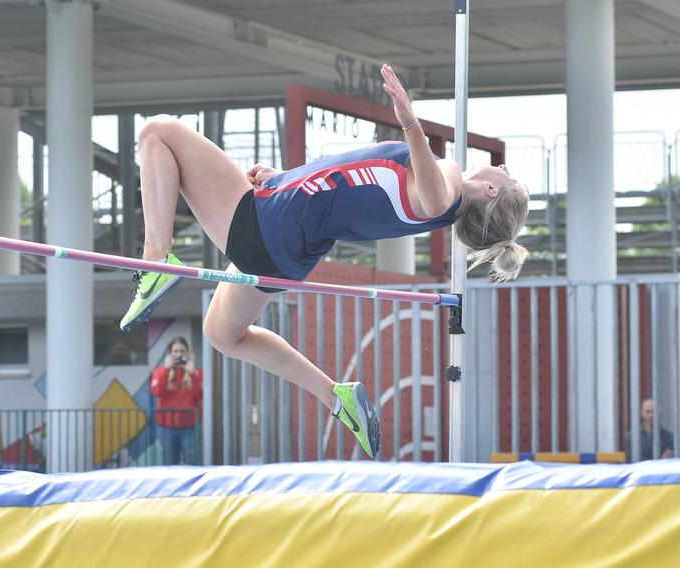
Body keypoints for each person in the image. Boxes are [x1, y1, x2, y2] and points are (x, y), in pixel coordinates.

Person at [121, 64, 531, 458]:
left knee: (157, 131)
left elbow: (433, 195)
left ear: (492, 191)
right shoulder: (440, 198)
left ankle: (155, 261)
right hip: (286, 249)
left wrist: (410, 122)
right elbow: (347, 181)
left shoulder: (450, 184)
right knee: (222, 334)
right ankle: (335, 395)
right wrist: (283, 178)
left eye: (508, 177)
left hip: (274, 224)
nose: (504, 168)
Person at [150, 337, 203, 465]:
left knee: (191, 464)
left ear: (187, 353)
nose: (178, 354)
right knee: (169, 464)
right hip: (166, 427)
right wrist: (166, 370)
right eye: (175, 351)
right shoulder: (160, 372)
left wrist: (191, 374)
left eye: (182, 351)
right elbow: (157, 392)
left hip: (189, 427)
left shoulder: (196, 372)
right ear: (170, 354)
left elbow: (199, 396)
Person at [624, 397, 675, 462]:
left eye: (654, 411)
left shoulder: (668, 436)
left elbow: (670, 461)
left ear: (660, 413)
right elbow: (630, 461)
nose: (651, 415)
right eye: (648, 412)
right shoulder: (631, 437)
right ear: (641, 413)